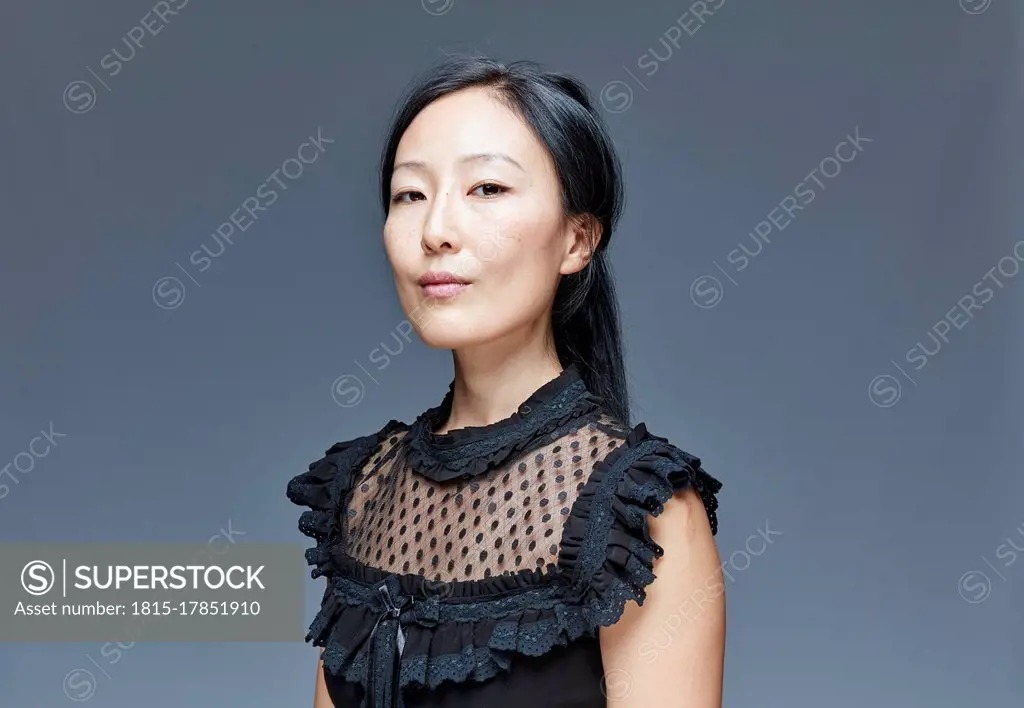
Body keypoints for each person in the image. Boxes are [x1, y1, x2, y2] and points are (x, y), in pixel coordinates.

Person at [286, 54, 724, 708]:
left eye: (486, 189)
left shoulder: (638, 513)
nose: (435, 230)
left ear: (577, 240)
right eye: (410, 194)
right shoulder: (361, 490)